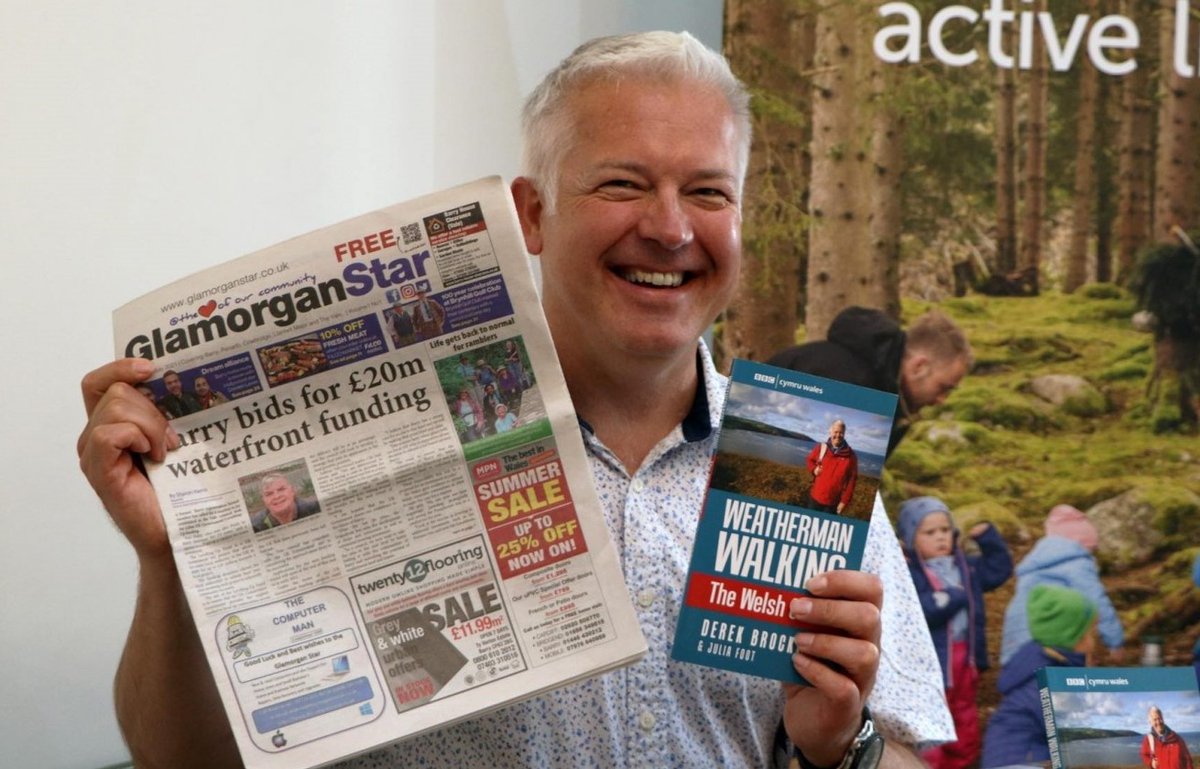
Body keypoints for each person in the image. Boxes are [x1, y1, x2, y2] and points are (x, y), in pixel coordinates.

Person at [77, 31, 952, 768]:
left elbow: (908, 748)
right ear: (531, 215)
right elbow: (181, 758)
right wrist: (170, 562)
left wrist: (845, 745)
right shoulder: (387, 439)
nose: (671, 227)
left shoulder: (798, 462)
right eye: (622, 183)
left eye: (707, 192)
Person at [898, 495, 1013, 769]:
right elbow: (922, 609)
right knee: (931, 716)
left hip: (966, 659)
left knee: (964, 712)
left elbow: (999, 570)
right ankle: (930, 764)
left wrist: (988, 538)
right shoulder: (908, 572)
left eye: (945, 530)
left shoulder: (966, 567)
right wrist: (952, 598)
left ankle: (963, 761)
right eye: (930, 532)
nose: (940, 537)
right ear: (911, 538)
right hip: (929, 665)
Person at [768, 307, 972, 456]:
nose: (942, 400)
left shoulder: (891, 397)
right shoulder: (845, 381)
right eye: (944, 388)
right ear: (919, 367)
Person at [980, 585, 1097, 767]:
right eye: (1089, 635)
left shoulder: (1037, 662)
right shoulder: (1050, 683)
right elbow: (1077, 732)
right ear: (1072, 637)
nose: (1093, 643)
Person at [999, 503, 1125, 666]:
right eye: (1090, 550)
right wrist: (1115, 640)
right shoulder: (1077, 563)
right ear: (1080, 544)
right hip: (1054, 635)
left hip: (1016, 637)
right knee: (1056, 684)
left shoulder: (1034, 564)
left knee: (1028, 681)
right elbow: (1097, 599)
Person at [806, 419, 858, 514]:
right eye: (835, 432)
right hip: (814, 499)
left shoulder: (851, 456)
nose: (838, 435)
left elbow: (851, 481)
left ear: (844, 434)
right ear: (830, 432)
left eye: (841, 433)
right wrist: (814, 469)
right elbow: (809, 460)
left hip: (833, 504)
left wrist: (844, 502)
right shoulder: (821, 448)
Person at [249, 473, 321, 532]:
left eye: (281, 489)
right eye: (269, 494)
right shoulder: (255, 526)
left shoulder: (316, 509)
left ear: (292, 491)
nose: (276, 496)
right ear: (263, 500)